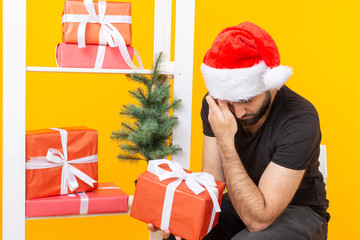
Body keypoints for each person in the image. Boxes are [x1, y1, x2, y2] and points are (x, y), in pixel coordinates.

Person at [149, 21, 329, 240]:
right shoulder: (216, 105)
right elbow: (212, 181)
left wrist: (225, 140)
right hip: (238, 202)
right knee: (183, 234)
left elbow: (258, 220)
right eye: (230, 102)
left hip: (299, 211)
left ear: (271, 83)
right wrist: (178, 215)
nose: (239, 112)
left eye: (246, 99)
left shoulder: (299, 118)